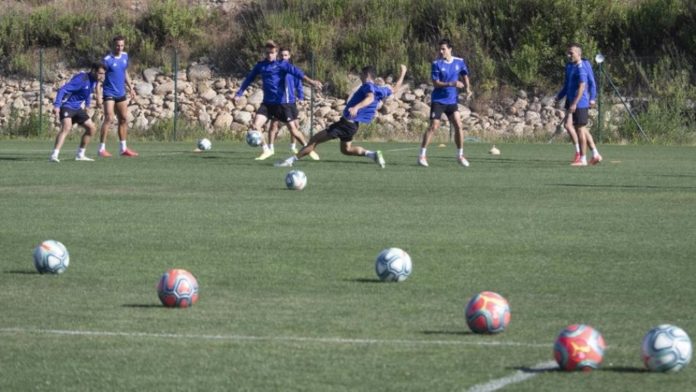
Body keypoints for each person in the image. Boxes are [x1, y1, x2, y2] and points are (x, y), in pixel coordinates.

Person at [274, 64, 407, 169]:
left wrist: (356, 107)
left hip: (347, 123)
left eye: (361, 73)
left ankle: (290, 161)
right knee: (346, 150)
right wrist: (403, 73)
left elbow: (369, 98)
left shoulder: (368, 86)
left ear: (366, 75)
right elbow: (395, 89)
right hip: (352, 125)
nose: (359, 76)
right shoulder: (380, 89)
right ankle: (373, 155)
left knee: (314, 140)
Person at [234, 40, 322, 160]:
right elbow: (249, 79)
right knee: (255, 125)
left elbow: (298, 74)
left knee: (293, 130)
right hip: (267, 104)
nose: (270, 55)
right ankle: (266, 150)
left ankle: (308, 148)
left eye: (272, 53)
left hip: (282, 104)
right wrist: (239, 93)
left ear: (276, 54)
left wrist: (312, 82)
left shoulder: (282, 65)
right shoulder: (261, 65)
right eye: (268, 53)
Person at [418, 38, 473, 167]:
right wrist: (452, 83)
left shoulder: (459, 62)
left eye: (443, 49)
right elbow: (435, 83)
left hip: (452, 100)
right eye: (440, 49)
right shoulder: (436, 64)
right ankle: (422, 155)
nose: (441, 51)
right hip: (438, 100)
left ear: (450, 49)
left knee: (458, 125)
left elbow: (465, 75)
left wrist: (468, 88)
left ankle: (460, 155)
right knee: (434, 126)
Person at [49, 62, 106, 162]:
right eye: (100, 73)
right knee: (67, 127)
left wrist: (87, 105)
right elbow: (62, 90)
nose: (102, 76)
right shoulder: (81, 79)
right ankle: (54, 155)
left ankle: (80, 155)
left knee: (91, 128)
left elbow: (87, 93)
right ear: (93, 71)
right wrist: (57, 105)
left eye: (103, 74)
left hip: (77, 108)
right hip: (66, 105)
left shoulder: (94, 80)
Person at [556, 43, 603, 165]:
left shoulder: (583, 66)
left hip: (579, 101)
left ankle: (582, 157)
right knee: (576, 127)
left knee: (579, 128)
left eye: (571, 53)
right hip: (571, 100)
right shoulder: (570, 66)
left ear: (578, 53)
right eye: (568, 53)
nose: (568, 55)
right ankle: (594, 153)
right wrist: (559, 96)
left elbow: (589, 83)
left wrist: (592, 98)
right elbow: (567, 85)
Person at [267, 47, 315, 157]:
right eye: (281, 55)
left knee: (295, 126)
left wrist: (301, 97)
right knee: (274, 125)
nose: (283, 57)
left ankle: (293, 146)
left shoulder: (293, 70)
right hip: (279, 102)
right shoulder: (275, 68)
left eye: (285, 55)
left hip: (291, 102)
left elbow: (298, 85)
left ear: (289, 57)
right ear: (278, 56)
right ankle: (270, 148)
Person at [97, 35, 138, 158]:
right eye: (117, 45)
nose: (119, 47)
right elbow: (99, 77)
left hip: (121, 93)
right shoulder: (107, 60)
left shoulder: (125, 56)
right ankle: (101, 149)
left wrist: (131, 88)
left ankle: (123, 149)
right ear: (113, 45)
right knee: (109, 118)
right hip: (109, 93)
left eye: (122, 45)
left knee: (124, 119)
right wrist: (98, 94)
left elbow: (124, 72)